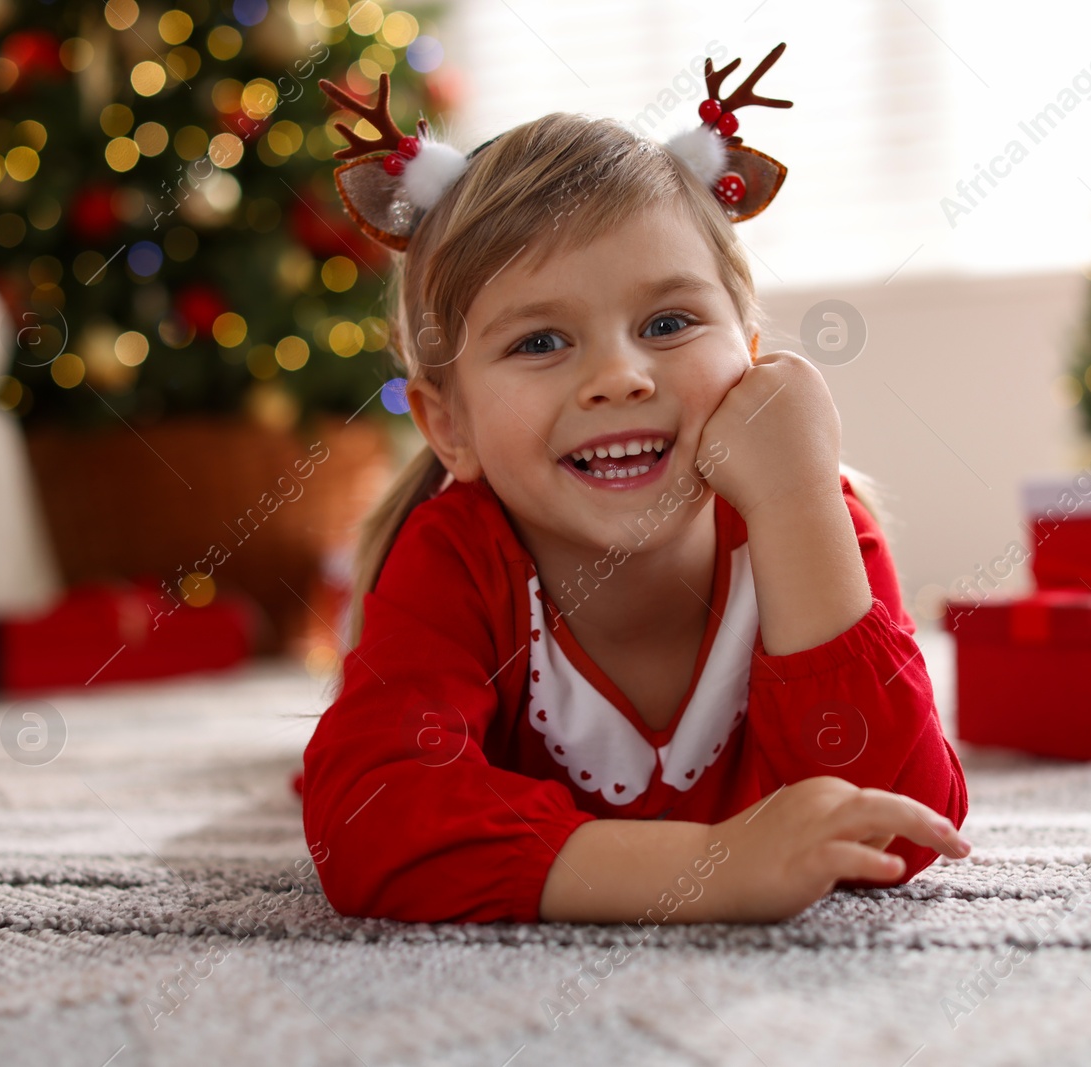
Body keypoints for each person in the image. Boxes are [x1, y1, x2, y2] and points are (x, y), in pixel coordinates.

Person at [301, 44, 970, 925]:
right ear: (449, 427)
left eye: (667, 322)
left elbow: (900, 821)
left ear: (753, 361)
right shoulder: (455, 557)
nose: (619, 377)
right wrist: (710, 866)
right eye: (539, 341)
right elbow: (371, 821)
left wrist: (797, 500)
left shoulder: (813, 516)